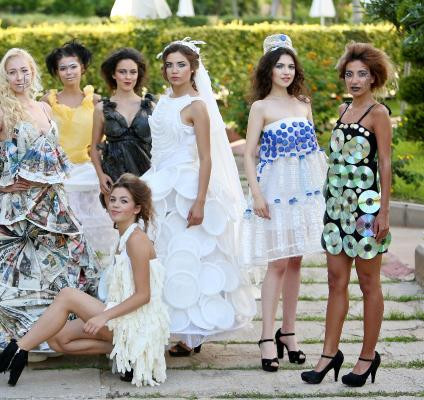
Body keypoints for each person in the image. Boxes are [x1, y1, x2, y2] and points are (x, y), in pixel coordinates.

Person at [0, 48, 101, 352]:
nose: (19, 77)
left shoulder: (45, 108)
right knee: (14, 272)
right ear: (5, 77)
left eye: (24, 70)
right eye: (12, 72)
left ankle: (49, 335)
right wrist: (1, 183)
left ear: (32, 73)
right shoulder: (2, 112)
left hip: (51, 205)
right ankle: (16, 339)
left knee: (54, 268)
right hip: (16, 207)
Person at [0, 174, 170, 387]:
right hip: (123, 319)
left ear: (136, 208)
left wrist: (103, 316)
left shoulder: (137, 240)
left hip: (136, 323)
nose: (115, 205)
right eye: (113, 199)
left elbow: (143, 295)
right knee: (57, 339)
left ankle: (16, 352)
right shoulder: (124, 238)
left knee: (68, 295)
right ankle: (128, 353)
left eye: (124, 201)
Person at [143, 38, 255, 356]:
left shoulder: (197, 106)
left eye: (181, 65)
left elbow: (206, 158)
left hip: (186, 188)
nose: (174, 70)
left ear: (192, 69)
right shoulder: (162, 101)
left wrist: (200, 201)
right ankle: (164, 324)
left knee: (189, 253)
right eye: (169, 65)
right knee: (162, 254)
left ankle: (192, 333)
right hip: (158, 183)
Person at [301, 42, 393, 387]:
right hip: (337, 210)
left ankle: (367, 357)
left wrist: (384, 212)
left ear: (374, 78)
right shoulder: (342, 110)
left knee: (369, 284)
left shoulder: (378, 114)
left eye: (362, 74)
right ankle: (329, 354)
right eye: (349, 74)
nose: (354, 80)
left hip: (367, 211)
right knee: (334, 282)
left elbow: (385, 163)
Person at [241, 34, 327, 372]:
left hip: (303, 194)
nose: (286, 71)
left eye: (291, 66)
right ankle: (266, 337)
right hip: (274, 192)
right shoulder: (260, 108)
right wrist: (256, 194)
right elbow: (249, 154)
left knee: (295, 261)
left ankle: (288, 333)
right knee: (276, 263)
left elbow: (313, 154)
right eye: (280, 66)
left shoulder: (303, 103)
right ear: (269, 70)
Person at [41, 40, 116, 255]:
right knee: (63, 238)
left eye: (73, 66)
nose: (69, 72)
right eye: (63, 68)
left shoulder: (96, 101)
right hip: (58, 175)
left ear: (82, 68)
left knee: (96, 236)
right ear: (57, 73)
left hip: (90, 174)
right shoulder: (47, 102)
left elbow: (105, 141)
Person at [90, 48, 154, 199]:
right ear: (113, 74)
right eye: (122, 72)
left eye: (133, 72)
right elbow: (94, 148)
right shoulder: (101, 109)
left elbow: (161, 145)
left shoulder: (150, 107)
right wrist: (101, 175)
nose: (128, 77)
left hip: (147, 177)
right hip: (114, 178)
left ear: (138, 74)